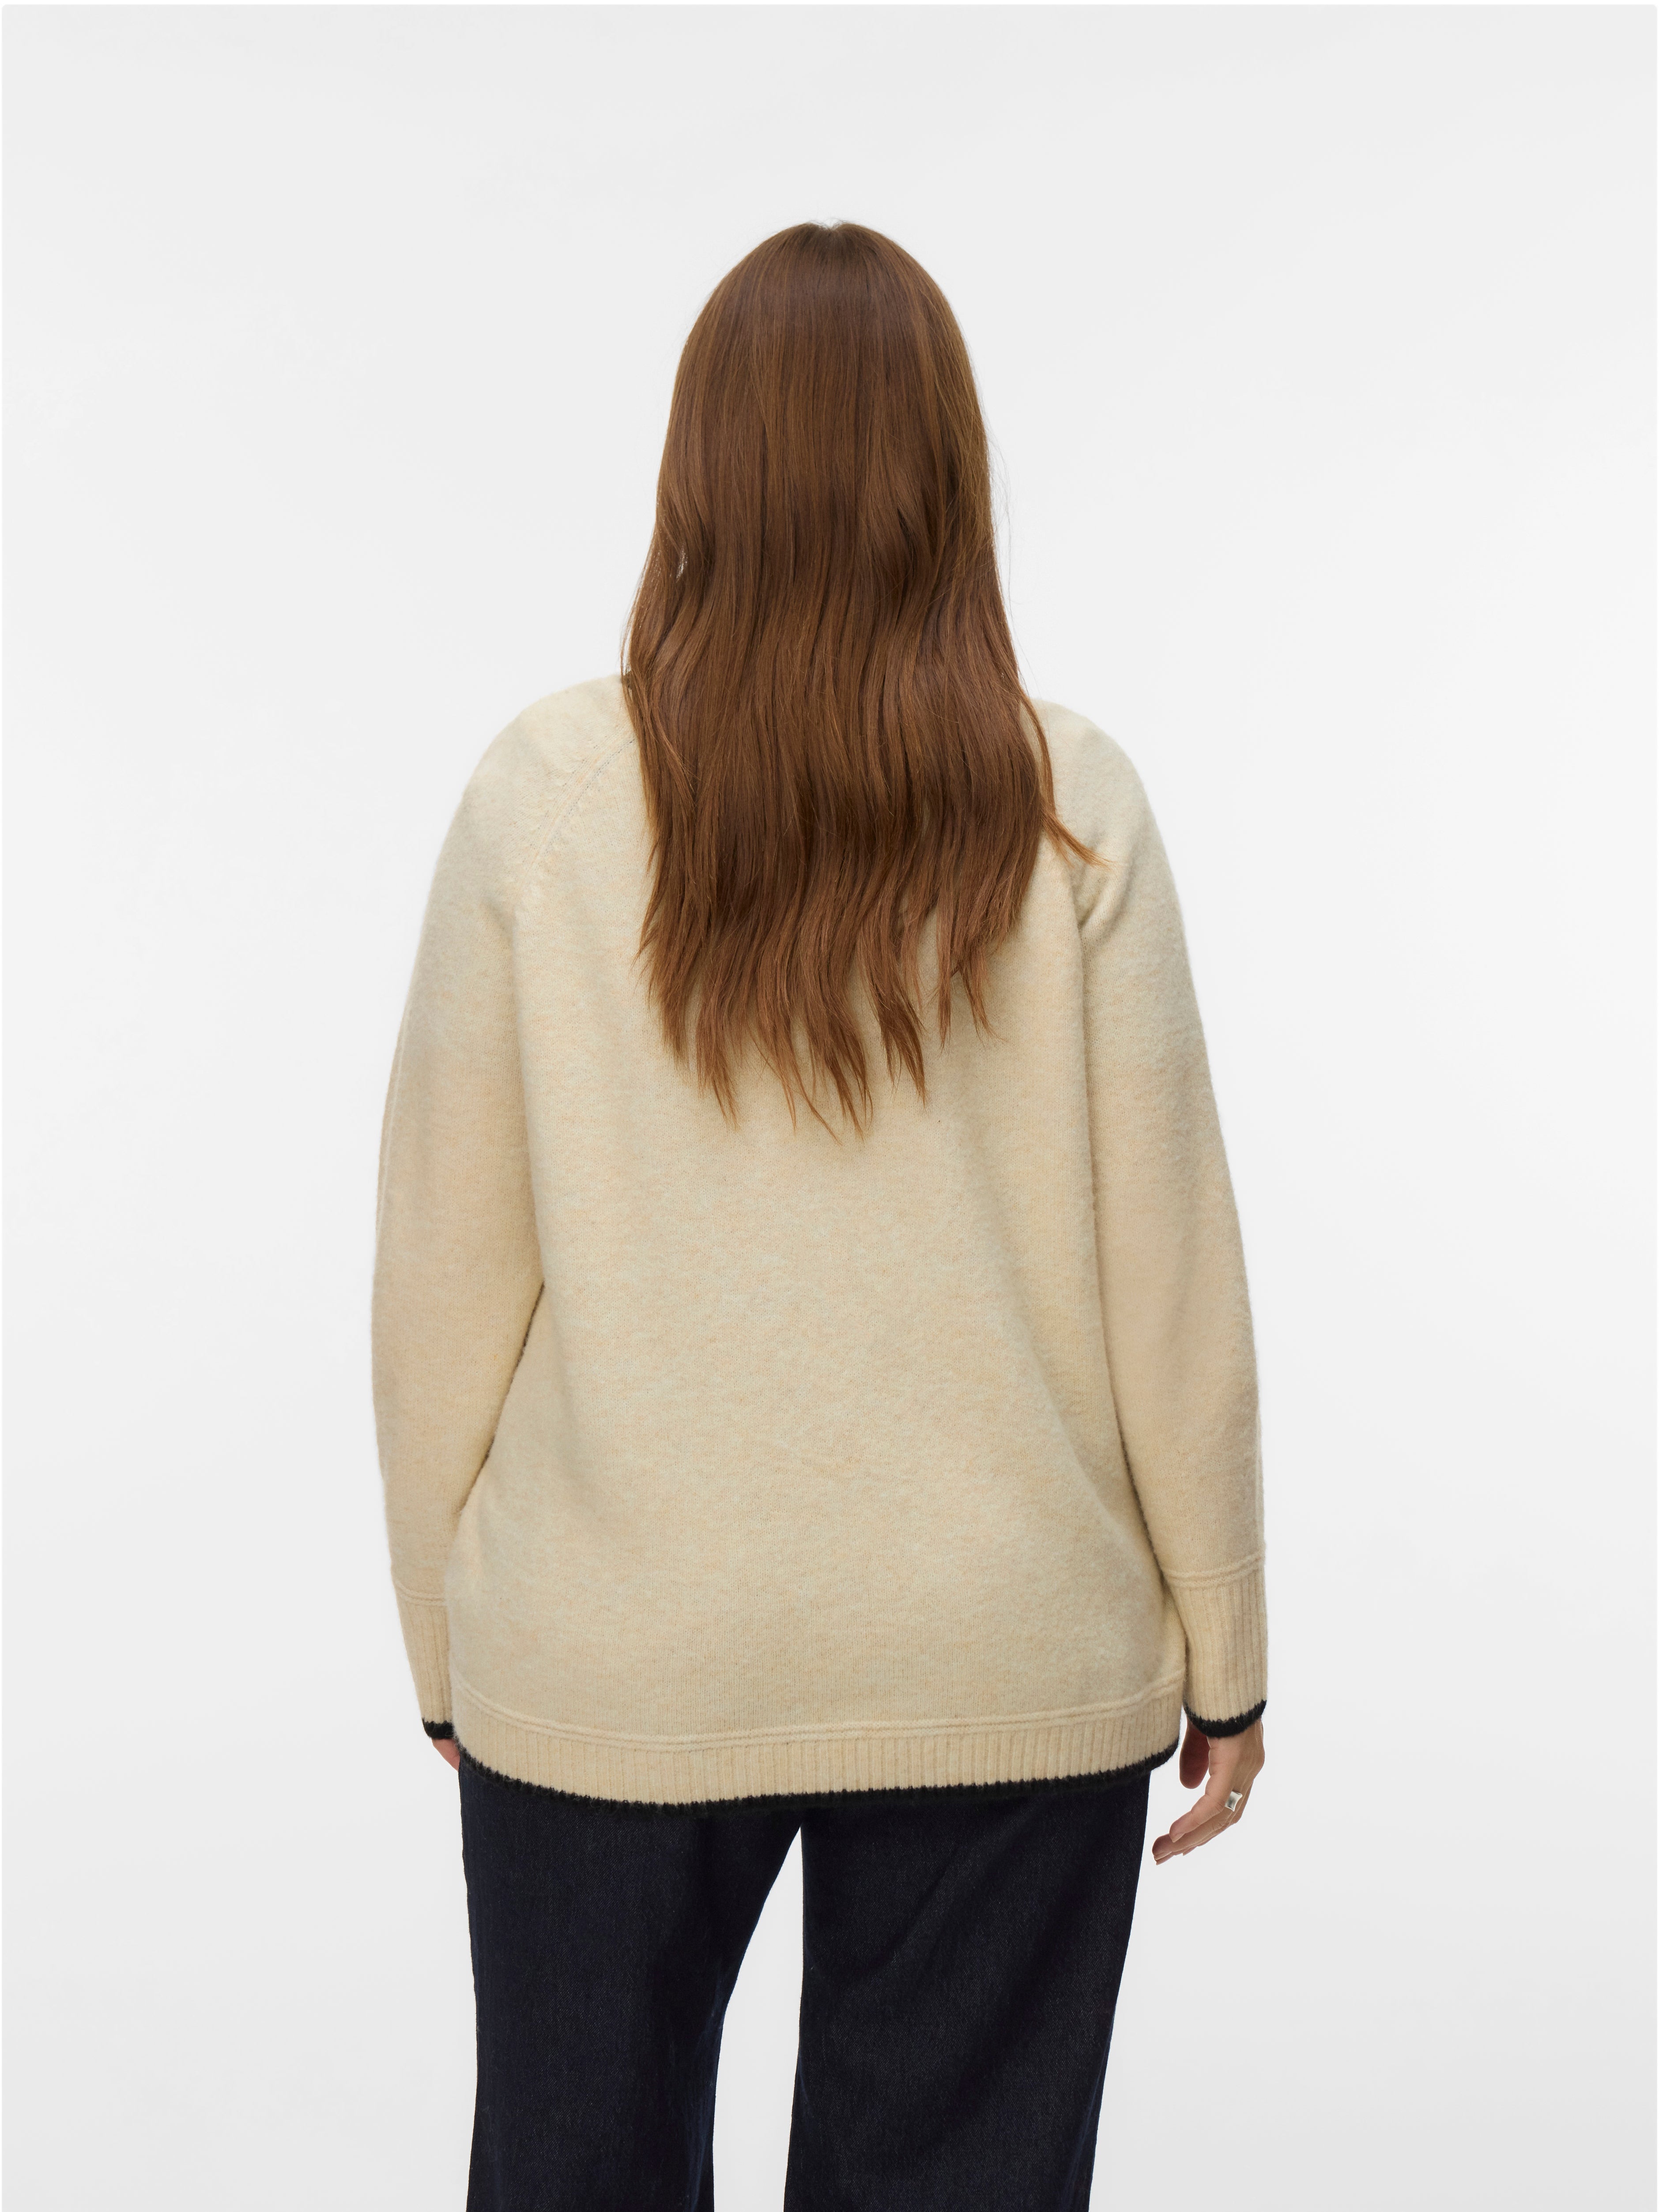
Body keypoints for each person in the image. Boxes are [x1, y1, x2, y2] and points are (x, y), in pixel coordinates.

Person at [372, 219, 1267, 2212]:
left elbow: (441, 1266)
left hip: (614, 1649)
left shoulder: (548, 791)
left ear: (699, 465)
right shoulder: (1070, 802)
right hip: (1006, 1646)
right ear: (948, 469)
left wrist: (448, 1647)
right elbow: (1175, 1277)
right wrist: (1228, 1648)